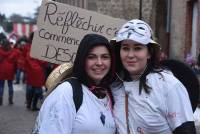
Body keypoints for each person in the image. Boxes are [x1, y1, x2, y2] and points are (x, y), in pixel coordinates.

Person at [111, 19, 196, 134]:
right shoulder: (114, 84)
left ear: (149, 53)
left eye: (137, 48)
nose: (130, 55)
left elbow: (186, 131)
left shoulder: (169, 85)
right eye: (125, 48)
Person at [32, 34, 116, 134]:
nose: (99, 63)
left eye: (105, 57)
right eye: (91, 57)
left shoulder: (110, 94)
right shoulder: (67, 92)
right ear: (82, 60)